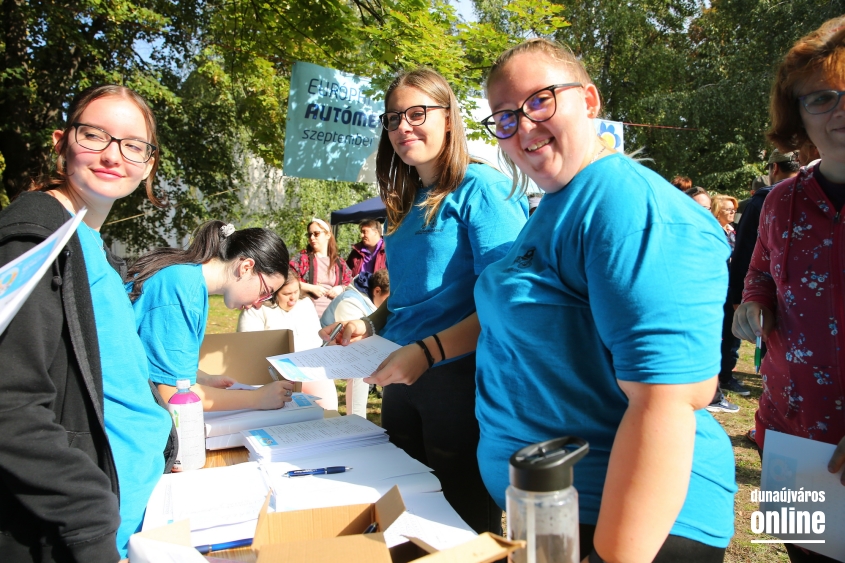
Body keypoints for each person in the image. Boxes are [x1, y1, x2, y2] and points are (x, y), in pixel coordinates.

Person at [473, 38, 734, 561]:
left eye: (539, 100)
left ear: (589, 101)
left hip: (633, 522)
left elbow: (668, 399)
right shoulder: (560, 202)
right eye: (503, 117)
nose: (522, 126)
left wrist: (614, 554)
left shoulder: (627, 205)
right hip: (560, 508)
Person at [321, 67, 528, 534]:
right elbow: (410, 297)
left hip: (460, 380)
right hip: (401, 376)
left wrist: (431, 351)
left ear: (450, 118)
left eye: (417, 113)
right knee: (407, 522)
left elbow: (507, 305)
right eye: (393, 119)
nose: (403, 128)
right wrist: (369, 324)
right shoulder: (405, 199)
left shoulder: (483, 190)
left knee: (461, 525)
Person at [0, 84, 176, 561]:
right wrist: (90, 525)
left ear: (148, 166)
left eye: (133, 145)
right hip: (84, 538)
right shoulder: (35, 237)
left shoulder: (88, 240)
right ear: (61, 143)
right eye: (94, 135)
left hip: (140, 512)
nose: (113, 154)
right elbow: (10, 406)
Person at [733, 16, 845, 562]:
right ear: (798, 115)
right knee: (805, 554)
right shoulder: (781, 201)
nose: (841, 108)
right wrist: (754, 303)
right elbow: (760, 272)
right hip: (794, 430)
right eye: (822, 97)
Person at [127, 220, 296, 412]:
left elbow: (157, 358)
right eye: (265, 292)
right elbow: (173, 394)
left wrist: (202, 378)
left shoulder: (187, 279)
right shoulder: (182, 289)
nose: (259, 304)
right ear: (246, 267)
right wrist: (257, 398)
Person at [237, 270, 338, 410]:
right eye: (286, 294)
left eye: (296, 292)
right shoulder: (257, 310)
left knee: (327, 405)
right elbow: (248, 345)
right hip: (271, 371)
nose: (293, 299)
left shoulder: (305, 303)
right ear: (273, 292)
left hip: (308, 367)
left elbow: (315, 339)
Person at [320, 269, 390, 417]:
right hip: (325, 354)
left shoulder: (365, 300)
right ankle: (357, 418)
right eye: (388, 299)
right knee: (361, 365)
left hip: (343, 351)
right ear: (377, 291)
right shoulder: (350, 301)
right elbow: (355, 345)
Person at [290, 218, 352, 317]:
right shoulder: (302, 259)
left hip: (334, 317)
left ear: (328, 235)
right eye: (309, 234)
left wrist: (341, 288)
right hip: (307, 315)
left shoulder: (339, 263)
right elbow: (286, 281)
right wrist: (310, 288)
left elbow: (352, 284)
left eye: (316, 233)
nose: (312, 237)